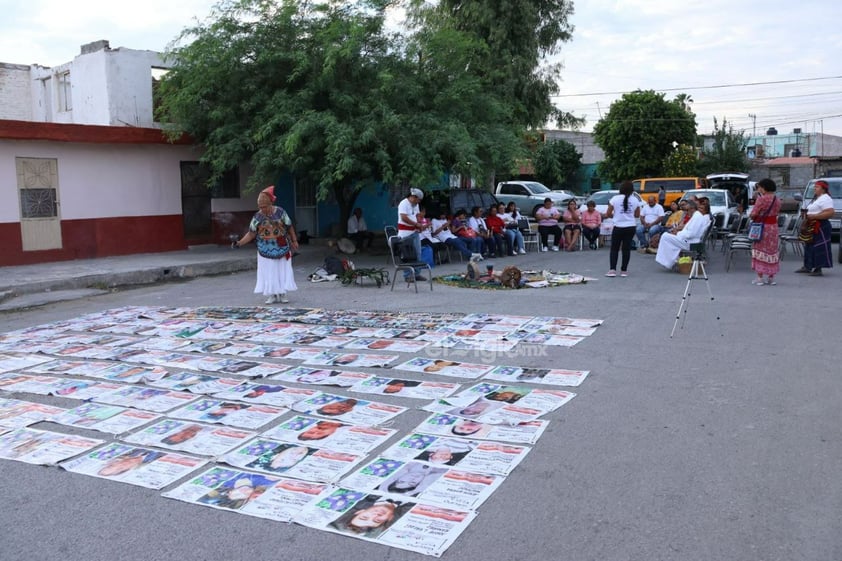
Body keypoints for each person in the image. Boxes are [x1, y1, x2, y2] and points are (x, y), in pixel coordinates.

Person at [233, 187, 299, 304]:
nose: (262, 209)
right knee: (269, 271)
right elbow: (251, 233)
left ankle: (282, 293)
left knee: (281, 269)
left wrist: (294, 241)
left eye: (264, 207)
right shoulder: (257, 217)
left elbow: (289, 226)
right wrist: (239, 243)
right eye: (260, 207)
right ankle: (272, 294)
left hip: (281, 246)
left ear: (270, 203)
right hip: (264, 248)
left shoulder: (280, 212)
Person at [655, 199, 709, 269]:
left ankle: (668, 262)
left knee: (665, 236)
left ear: (692, 209)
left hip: (691, 242)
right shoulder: (696, 216)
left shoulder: (697, 217)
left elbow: (691, 234)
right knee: (667, 236)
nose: (686, 213)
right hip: (688, 239)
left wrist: (678, 234)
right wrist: (678, 233)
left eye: (687, 210)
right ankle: (670, 260)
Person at [797, 179, 835, 276]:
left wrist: (814, 216)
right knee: (809, 245)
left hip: (821, 225)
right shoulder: (818, 198)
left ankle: (818, 269)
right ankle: (808, 266)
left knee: (819, 247)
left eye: (817, 187)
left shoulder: (826, 198)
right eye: (815, 187)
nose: (814, 188)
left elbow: (830, 212)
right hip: (812, 224)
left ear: (823, 189)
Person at [605, 181, 642, 277]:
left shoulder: (615, 199)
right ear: (631, 190)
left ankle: (612, 270)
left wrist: (616, 216)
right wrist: (628, 215)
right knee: (626, 249)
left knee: (614, 248)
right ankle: (624, 271)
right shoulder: (635, 200)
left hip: (618, 226)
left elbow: (608, 213)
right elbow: (637, 215)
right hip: (630, 227)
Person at [749, 178, 782, 285]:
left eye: (759, 187)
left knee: (760, 250)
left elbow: (754, 213)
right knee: (772, 251)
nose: (759, 189)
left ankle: (760, 278)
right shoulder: (777, 199)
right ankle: (771, 277)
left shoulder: (761, 199)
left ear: (764, 188)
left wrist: (752, 216)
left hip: (762, 227)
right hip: (773, 227)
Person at [396, 188, 427, 282]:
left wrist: (420, 225)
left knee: (418, 253)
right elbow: (404, 218)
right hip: (405, 234)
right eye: (418, 199)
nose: (419, 202)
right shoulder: (403, 203)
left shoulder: (416, 205)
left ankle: (416, 274)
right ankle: (407, 275)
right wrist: (416, 224)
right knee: (407, 255)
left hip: (414, 232)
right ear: (413, 197)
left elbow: (416, 216)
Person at [380, 462, 445, 496]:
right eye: (412, 483)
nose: (411, 479)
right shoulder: (441, 471)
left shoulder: (408, 464)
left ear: (397, 478)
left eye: (402, 481)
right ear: (418, 484)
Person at [97, 448, 163, 477]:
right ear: (126, 470)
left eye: (112, 466)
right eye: (120, 469)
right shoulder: (152, 462)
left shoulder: (132, 451)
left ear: (113, 463)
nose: (120, 465)